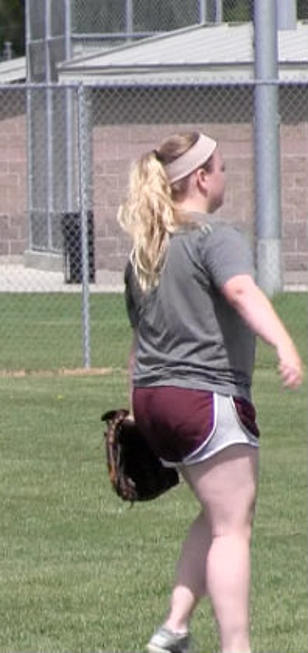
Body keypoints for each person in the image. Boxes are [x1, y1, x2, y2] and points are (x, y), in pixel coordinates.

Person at [118, 131, 303, 653]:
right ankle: (236, 648)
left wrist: (139, 406)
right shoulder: (213, 236)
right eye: (220, 167)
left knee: (220, 513)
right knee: (232, 529)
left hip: (153, 399)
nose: (226, 175)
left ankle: (174, 628)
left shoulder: (147, 247)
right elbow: (241, 290)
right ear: (200, 178)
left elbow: (140, 339)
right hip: (203, 398)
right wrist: (285, 343)